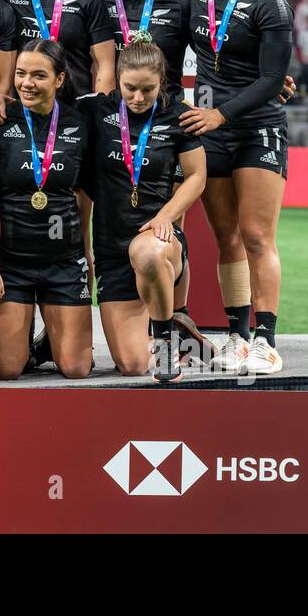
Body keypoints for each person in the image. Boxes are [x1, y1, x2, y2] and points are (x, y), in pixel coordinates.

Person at [178, 0, 292, 375]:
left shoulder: (271, 3)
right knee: (226, 239)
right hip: (211, 129)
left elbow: (272, 79)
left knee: (257, 236)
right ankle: (237, 337)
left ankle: (266, 340)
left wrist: (221, 114)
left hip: (255, 127)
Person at [81, 35, 207, 383]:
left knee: (148, 253)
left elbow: (197, 176)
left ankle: (166, 342)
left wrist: (166, 215)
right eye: (130, 88)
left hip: (160, 240)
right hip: (112, 250)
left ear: (161, 83)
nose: (138, 98)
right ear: (117, 80)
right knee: (133, 365)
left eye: (148, 90)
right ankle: (175, 326)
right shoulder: (96, 111)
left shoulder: (178, 116)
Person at [0, 40, 93, 378]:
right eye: (20, 74)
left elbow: (85, 191)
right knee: (6, 369)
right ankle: (26, 344)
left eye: (38, 75)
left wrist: (86, 251)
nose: (27, 83)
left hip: (63, 260)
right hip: (12, 261)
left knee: (76, 369)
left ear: (59, 80)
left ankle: (53, 336)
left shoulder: (81, 124)